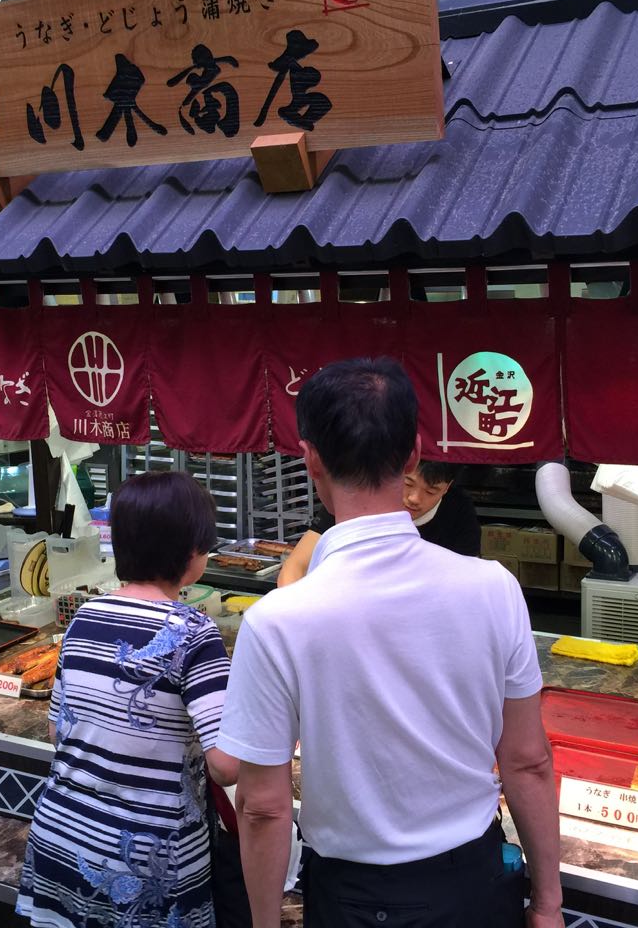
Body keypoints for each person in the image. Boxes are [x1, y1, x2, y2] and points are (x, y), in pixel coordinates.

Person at [218, 358, 563, 928]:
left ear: (310, 459)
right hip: (475, 886)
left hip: (352, 898)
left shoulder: (275, 621)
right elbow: (527, 761)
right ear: (412, 455)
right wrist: (548, 904)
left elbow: (262, 807)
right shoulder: (494, 587)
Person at [17, 471, 239, 928]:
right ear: (191, 551)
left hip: (63, 837)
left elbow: (58, 730)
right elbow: (227, 765)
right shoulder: (194, 634)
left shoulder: (84, 618)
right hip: (149, 860)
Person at [277, 459, 480, 585]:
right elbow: (296, 565)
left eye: (431, 491)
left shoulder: (459, 511)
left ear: (447, 488)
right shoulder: (361, 495)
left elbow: (468, 580)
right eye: (408, 483)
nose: (414, 498)